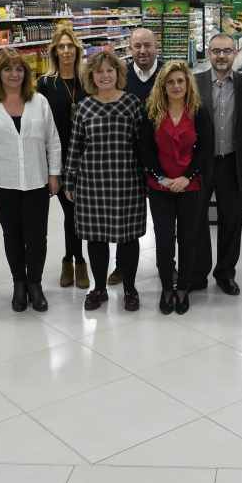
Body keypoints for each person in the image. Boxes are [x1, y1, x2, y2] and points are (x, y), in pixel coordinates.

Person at [0, 49, 61, 314]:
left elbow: (52, 141)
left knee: (37, 237)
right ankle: (19, 284)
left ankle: (35, 283)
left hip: (36, 182)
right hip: (4, 183)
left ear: (26, 73)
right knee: (12, 236)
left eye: (19, 69)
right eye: (8, 69)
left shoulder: (40, 102)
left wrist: (54, 174)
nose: (14, 74)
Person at [64, 50, 146, 313]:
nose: (105, 75)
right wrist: (69, 181)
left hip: (127, 182)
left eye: (110, 70)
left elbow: (141, 145)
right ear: (92, 76)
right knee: (96, 238)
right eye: (99, 72)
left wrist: (146, 179)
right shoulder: (83, 107)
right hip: (92, 184)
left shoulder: (133, 103)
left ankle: (130, 289)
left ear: (118, 73)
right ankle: (99, 288)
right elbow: (75, 147)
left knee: (128, 238)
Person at [139, 61, 213, 315]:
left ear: (188, 83)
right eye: (171, 82)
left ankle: (183, 287)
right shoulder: (152, 112)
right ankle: (166, 288)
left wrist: (187, 177)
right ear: (163, 85)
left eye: (181, 81)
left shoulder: (198, 112)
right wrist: (161, 178)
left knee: (188, 239)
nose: (176, 86)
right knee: (164, 241)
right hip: (160, 186)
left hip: (190, 185)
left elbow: (205, 150)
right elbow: (146, 150)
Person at [193, 33, 242, 296]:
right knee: (197, 220)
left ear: (235, 53)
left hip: (232, 164)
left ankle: (226, 272)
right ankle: (199, 271)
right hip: (201, 165)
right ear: (208, 53)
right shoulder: (194, 83)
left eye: (227, 51)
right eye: (216, 51)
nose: (221, 56)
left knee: (231, 221)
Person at [105, 25, 163, 288]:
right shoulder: (121, 76)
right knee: (124, 217)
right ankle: (121, 266)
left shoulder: (167, 74)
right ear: (129, 49)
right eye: (137, 46)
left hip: (162, 160)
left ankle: (166, 265)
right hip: (126, 161)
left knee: (164, 220)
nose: (142, 51)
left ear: (156, 47)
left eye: (147, 45)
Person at [37, 27, 89, 291]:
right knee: (70, 213)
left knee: (79, 213)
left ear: (77, 50)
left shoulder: (88, 80)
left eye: (70, 46)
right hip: (57, 159)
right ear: (55, 51)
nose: (66, 51)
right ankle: (72, 260)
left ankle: (77, 260)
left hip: (85, 159)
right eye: (61, 47)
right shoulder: (45, 84)